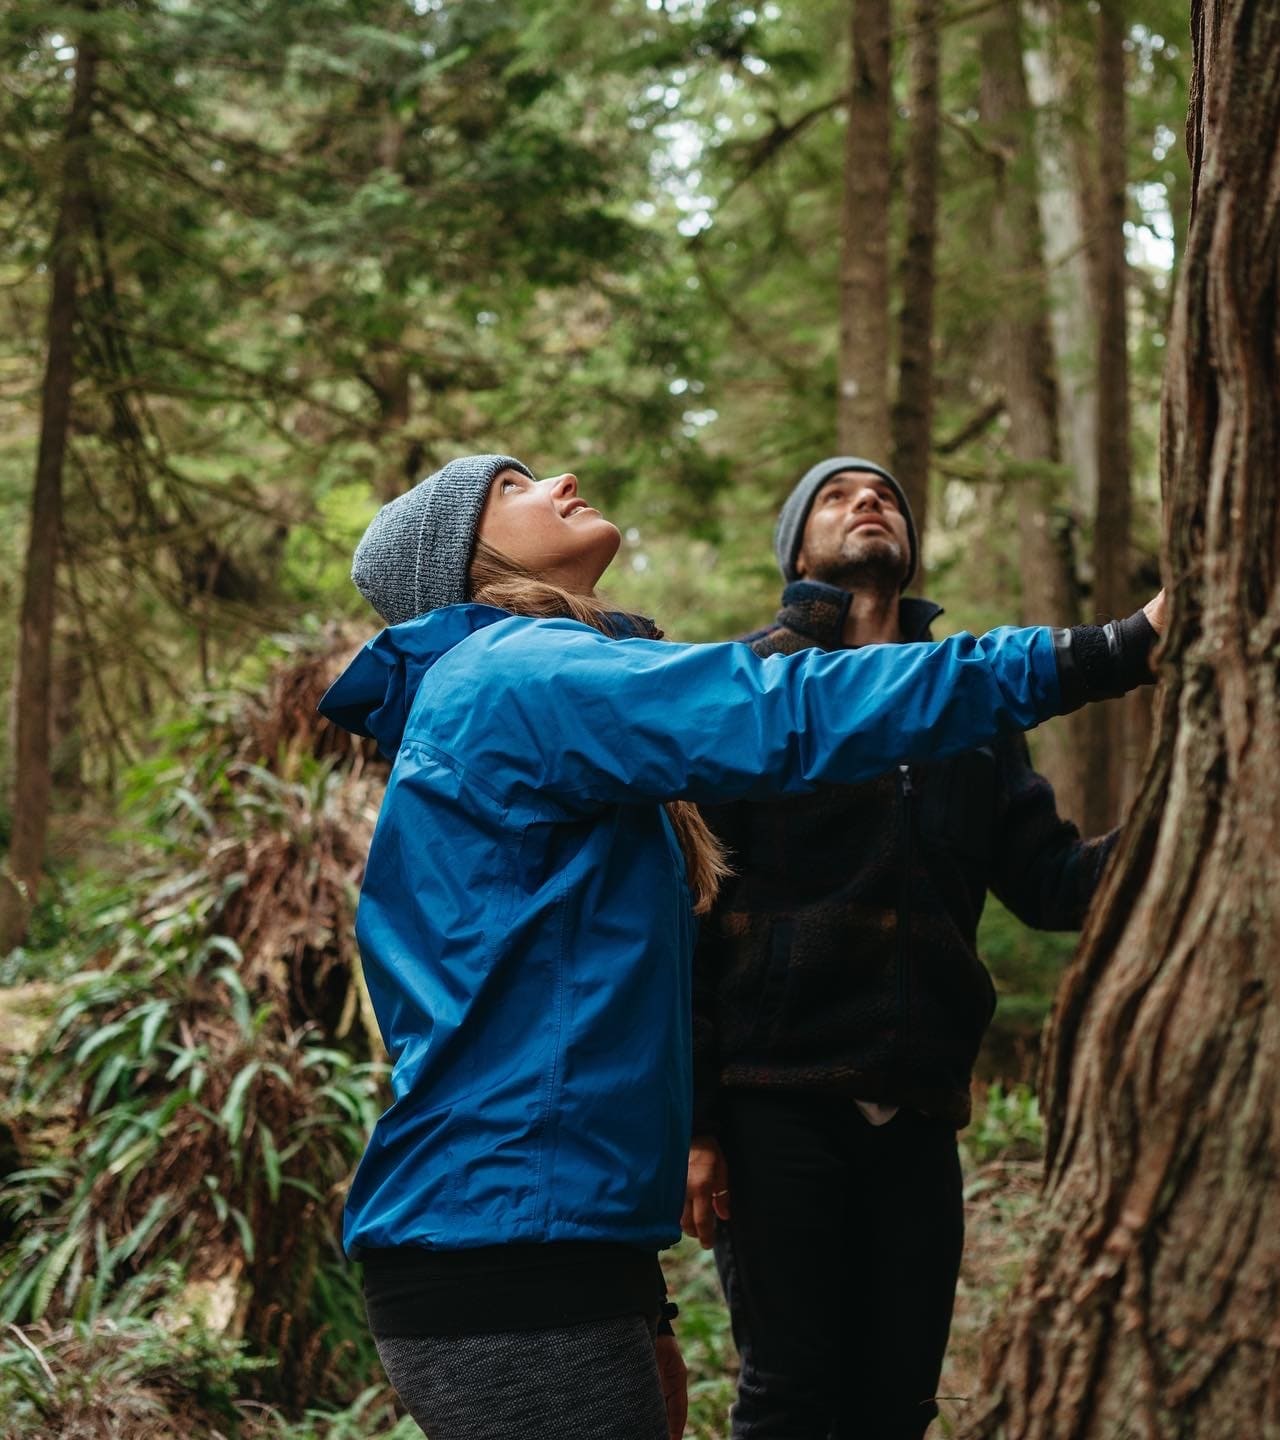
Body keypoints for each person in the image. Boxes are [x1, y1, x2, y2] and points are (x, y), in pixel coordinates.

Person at [318, 453, 1164, 1440]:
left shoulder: (509, 689)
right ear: (463, 561)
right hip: (510, 1251)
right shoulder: (517, 674)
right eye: (510, 487)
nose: (559, 477)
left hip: (541, 1243)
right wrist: (1111, 650)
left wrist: (642, 1301)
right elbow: (789, 709)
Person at [682, 456, 1154, 1440]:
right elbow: (688, 918)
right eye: (838, 497)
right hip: (778, 1097)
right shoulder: (747, 686)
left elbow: (1054, 886)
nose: (870, 503)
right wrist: (696, 1125)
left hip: (920, 1106)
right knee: (790, 1397)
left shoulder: (973, 721)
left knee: (900, 1404)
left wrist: (1192, 814)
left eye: (887, 495)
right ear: (796, 549)